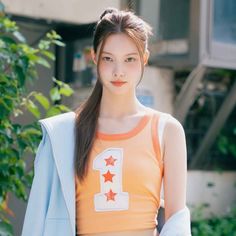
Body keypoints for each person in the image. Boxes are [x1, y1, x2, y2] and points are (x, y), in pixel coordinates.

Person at [21, 7, 191, 236]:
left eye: (129, 59)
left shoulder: (166, 130)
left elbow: (176, 224)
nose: (118, 71)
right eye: (109, 59)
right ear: (94, 58)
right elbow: (39, 220)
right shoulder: (65, 132)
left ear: (144, 59)